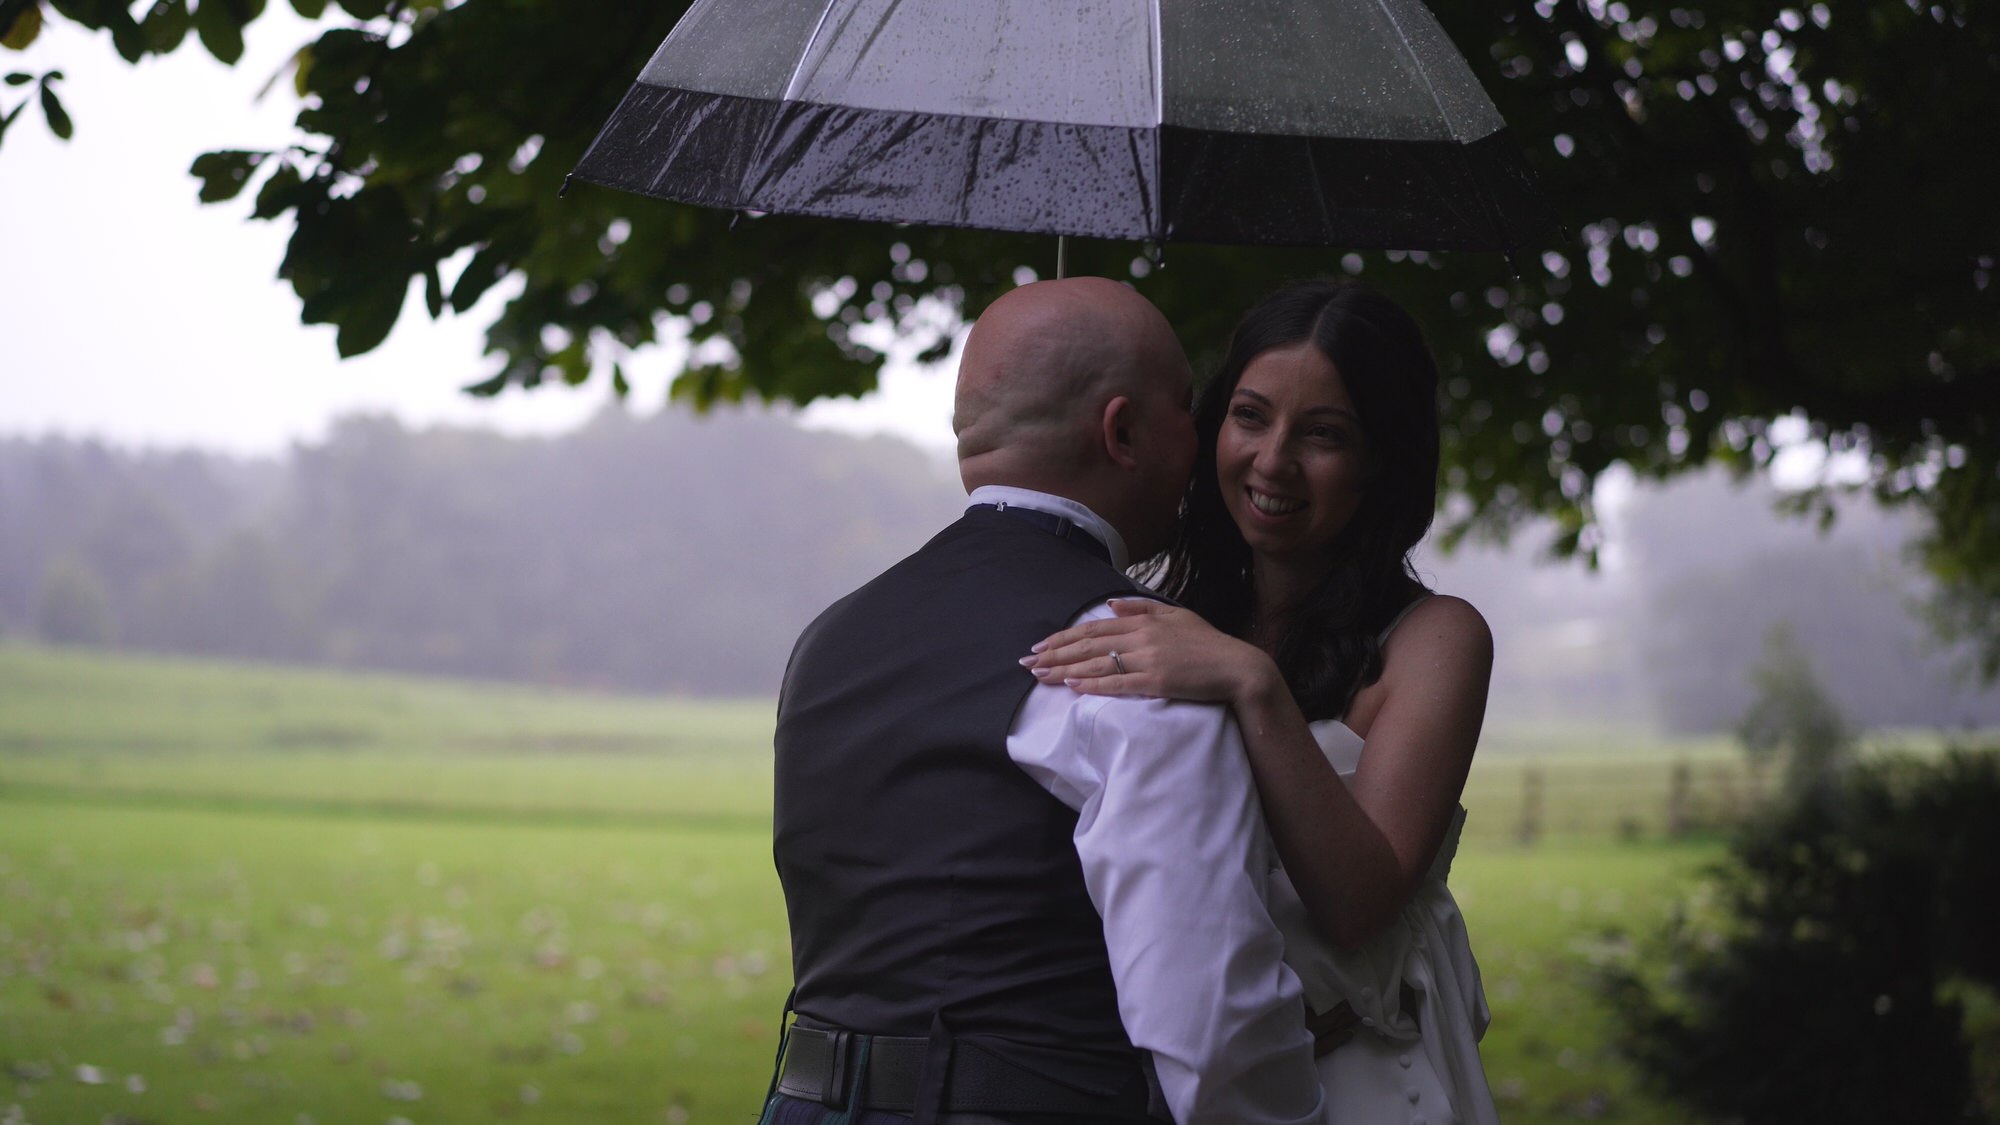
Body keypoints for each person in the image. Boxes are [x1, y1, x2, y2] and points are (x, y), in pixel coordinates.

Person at [761, 277, 1330, 1125]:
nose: (1205, 436)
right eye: (1188, 406)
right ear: (1124, 430)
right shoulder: (1133, 654)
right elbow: (1211, 1025)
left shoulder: (830, 637)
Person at [1025, 279, 1503, 1125]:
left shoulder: (1437, 640)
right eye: (1250, 416)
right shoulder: (1156, 618)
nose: (1273, 460)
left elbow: (1359, 904)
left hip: (1364, 1082)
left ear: (1382, 459)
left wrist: (1253, 683)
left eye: (1324, 434)